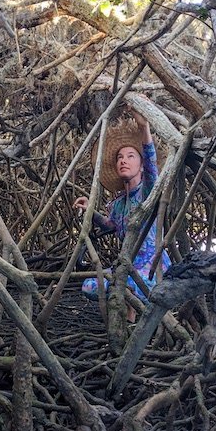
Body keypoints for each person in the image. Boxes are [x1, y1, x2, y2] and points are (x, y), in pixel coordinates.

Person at [73, 109, 171, 321]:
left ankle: (132, 320)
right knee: (89, 286)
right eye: (119, 157)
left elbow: (152, 164)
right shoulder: (118, 204)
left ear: (141, 165)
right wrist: (90, 209)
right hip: (127, 269)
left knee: (126, 285)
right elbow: (110, 225)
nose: (123, 161)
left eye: (130, 156)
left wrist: (144, 127)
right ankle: (127, 319)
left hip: (155, 272)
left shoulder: (148, 191)